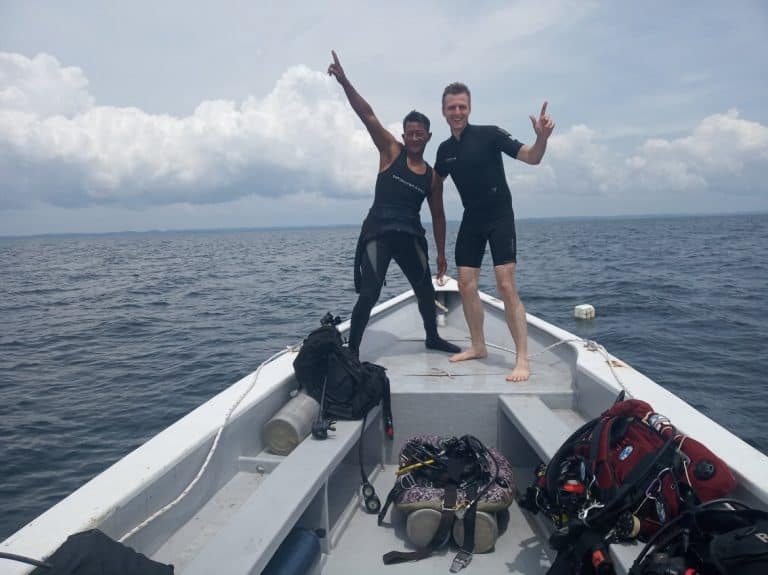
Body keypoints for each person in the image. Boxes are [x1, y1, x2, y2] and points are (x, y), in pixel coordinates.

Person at [328, 51, 459, 357]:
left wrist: (441, 253)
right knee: (370, 293)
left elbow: (438, 217)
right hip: (379, 234)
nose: (414, 137)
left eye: (419, 134)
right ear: (403, 135)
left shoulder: (433, 178)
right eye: (409, 133)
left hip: (410, 236)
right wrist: (345, 82)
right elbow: (367, 114)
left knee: (425, 290)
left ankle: (432, 337)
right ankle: (353, 349)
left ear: (428, 136)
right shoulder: (390, 151)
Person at [434, 82, 555, 382]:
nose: (457, 112)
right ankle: (478, 346)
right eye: (452, 107)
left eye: (462, 106)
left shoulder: (489, 134)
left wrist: (541, 139)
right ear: (444, 112)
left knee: (505, 285)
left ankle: (522, 359)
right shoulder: (445, 150)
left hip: (500, 215)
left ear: (469, 108)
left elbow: (532, 157)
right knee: (465, 285)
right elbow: (433, 184)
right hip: (471, 219)